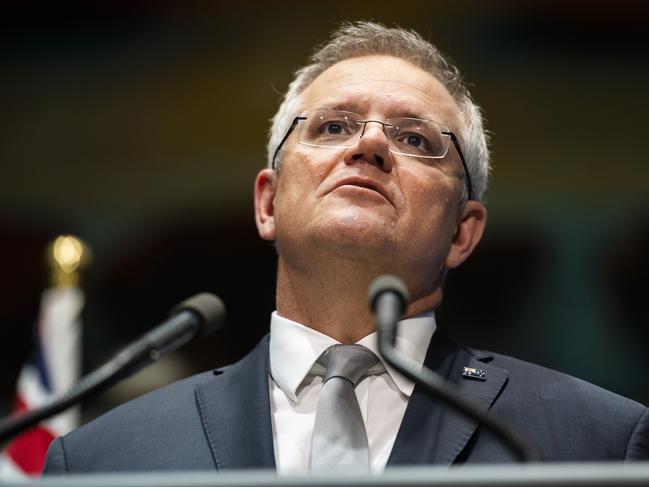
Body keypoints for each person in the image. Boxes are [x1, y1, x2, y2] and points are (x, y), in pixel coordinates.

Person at [44, 21, 649, 475]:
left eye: (415, 138)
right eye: (333, 126)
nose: (369, 148)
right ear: (268, 203)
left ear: (463, 233)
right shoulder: (104, 458)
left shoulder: (596, 440)